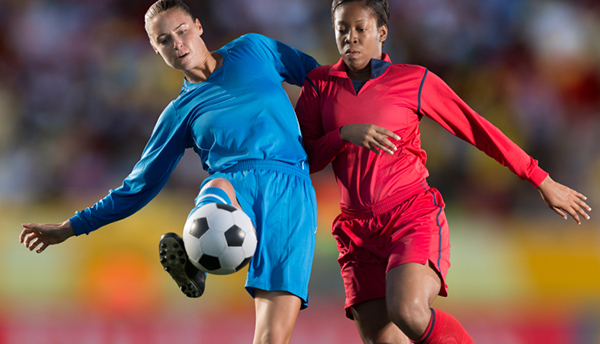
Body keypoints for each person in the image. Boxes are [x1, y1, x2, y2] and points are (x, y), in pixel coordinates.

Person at [19, 1, 320, 343]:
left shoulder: (254, 49)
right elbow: (138, 186)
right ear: (155, 48)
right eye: (164, 40)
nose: (177, 44)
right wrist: (72, 227)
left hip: (290, 191)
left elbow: (319, 77)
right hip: (234, 188)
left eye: (182, 32)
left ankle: (198, 256)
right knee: (217, 184)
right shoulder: (180, 112)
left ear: (198, 26)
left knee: (271, 337)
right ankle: (195, 256)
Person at [295, 0, 592, 343]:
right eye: (342, 30)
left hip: (408, 215)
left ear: (382, 32)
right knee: (384, 339)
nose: (351, 39)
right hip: (356, 231)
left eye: (361, 29)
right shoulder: (319, 85)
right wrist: (342, 135)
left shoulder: (413, 81)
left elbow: (476, 128)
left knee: (407, 310)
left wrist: (539, 178)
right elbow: (307, 159)